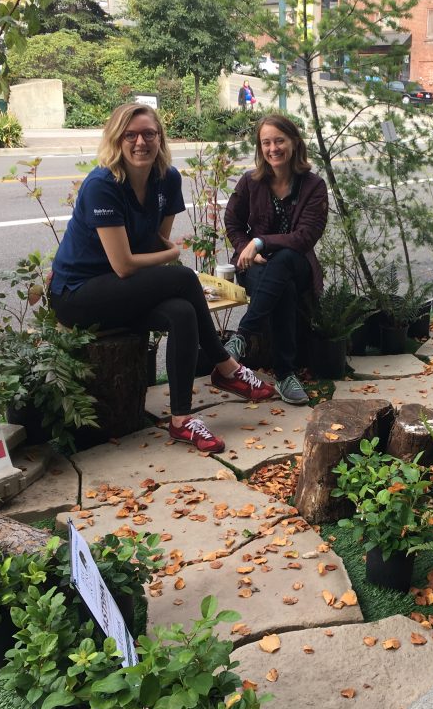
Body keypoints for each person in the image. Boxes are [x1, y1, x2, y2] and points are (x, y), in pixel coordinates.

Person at [49, 103, 273, 453]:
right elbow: (126, 264)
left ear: (160, 138)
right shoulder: (102, 185)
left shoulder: (167, 179)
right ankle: (226, 366)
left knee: (182, 313)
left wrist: (162, 254)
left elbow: (152, 239)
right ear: (117, 139)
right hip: (79, 294)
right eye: (131, 135)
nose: (141, 142)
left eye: (149, 134)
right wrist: (171, 255)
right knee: (183, 277)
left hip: (125, 290)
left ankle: (182, 420)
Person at [223, 114, 329, 405]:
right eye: (266, 142)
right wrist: (245, 246)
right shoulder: (250, 182)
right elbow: (232, 221)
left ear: (294, 142)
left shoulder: (313, 186)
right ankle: (285, 374)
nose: (273, 148)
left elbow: (305, 237)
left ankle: (241, 337)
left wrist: (260, 242)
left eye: (279, 140)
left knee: (283, 262)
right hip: (256, 267)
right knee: (283, 289)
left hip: (297, 264)